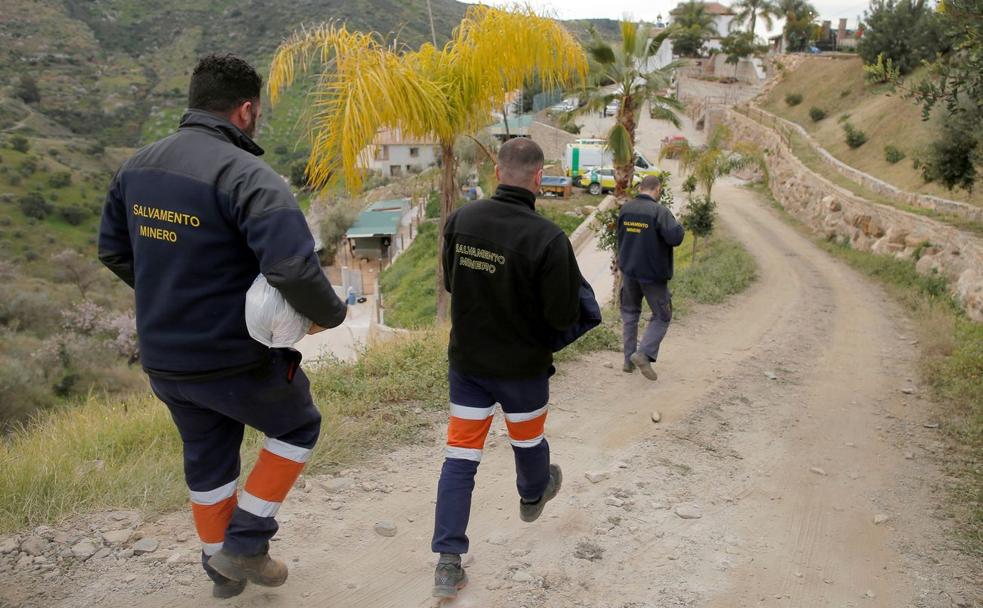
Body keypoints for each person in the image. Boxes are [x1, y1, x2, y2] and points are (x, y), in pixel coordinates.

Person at [98, 54, 347, 598]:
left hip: (164, 358)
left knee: (207, 456)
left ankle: (220, 572)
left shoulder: (136, 167)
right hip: (234, 358)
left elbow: (113, 252)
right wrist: (331, 314)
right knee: (297, 425)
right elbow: (290, 267)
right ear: (246, 110)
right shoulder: (248, 176)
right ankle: (247, 542)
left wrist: (170, 292)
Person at [431, 138, 583, 599]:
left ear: (498, 171)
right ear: (539, 178)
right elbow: (561, 317)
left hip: (469, 367)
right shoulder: (548, 239)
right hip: (523, 371)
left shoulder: (462, 219)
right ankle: (533, 492)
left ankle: (448, 561)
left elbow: (452, 283)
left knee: (460, 458)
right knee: (528, 440)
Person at [617, 174, 685, 381]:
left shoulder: (625, 209)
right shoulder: (659, 212)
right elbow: (675, 238)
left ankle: (628, 360)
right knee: (662, 315)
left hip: (628, 272)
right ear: (657, 190)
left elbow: (621, 239)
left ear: (640, 188)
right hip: (652, 276)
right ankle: (643, 353)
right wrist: (679, 224)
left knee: (630, 313)